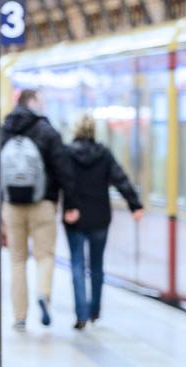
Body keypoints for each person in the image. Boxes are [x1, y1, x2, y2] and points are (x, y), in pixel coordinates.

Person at [0, 89, 79, 330]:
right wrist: (71, 204)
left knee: (17, 260)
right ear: (32, 103)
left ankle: (19, 316)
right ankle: (43, 295)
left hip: (12, 204)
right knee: (44, 256)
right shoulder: (47, 131)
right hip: (44, 204)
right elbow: (64, 170)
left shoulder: (4, 130)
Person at [62, 115, 145, 329]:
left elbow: (64, 182)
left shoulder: (67, 154)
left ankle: (81, 315)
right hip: (99, 217)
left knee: (77, 266)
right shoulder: (104, 154)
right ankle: (94, 311)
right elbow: (120, 178)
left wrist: (68, 207)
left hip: (75, 217)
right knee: (97, 266)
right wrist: (134, 204)